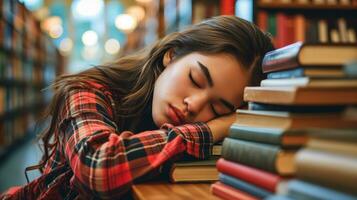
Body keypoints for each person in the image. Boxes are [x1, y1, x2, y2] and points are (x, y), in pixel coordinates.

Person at [1, 15, 274, 199]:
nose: (194, 106)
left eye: (217, 108)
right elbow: (97, 167)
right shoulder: (88, 90)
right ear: (172, 55)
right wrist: (211, 127)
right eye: (196, 79)